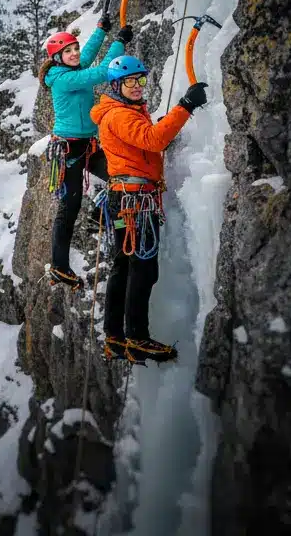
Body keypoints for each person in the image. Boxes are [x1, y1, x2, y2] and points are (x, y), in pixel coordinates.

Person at [90, 55, 208, 363]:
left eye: (141, 80)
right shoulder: (120, 115)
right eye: (130, 82)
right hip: (135, 202)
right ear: (116, 85)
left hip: (125, 200)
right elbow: (153, 140)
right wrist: (185, 106)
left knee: (125, 267)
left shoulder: (120, 112)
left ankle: (115, 337)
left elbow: (145, 144)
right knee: (142, 268)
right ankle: (137, 338)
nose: (138, 87)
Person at [39, 14, 132, 287]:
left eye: (74, 48)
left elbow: (87, 57)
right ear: (57, 57)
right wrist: (119, 43)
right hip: (69, 150)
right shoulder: (62, 79)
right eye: (67, 51)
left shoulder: (70, 70)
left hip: (86, 146)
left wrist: (102, 31)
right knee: (69, 206)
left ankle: (113, 226)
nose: (74, 53)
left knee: (120, 175)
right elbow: (102, 71)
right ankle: (59, 266)